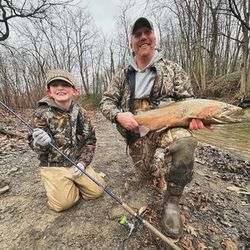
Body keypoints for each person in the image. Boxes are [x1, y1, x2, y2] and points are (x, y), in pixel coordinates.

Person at [100, 17, 209, 238]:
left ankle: (171, 203)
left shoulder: (172, 69)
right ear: (131, 43)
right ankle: (156, 166)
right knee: (146, 174)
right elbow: (106, 102)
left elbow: (189, 102)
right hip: (138, 134)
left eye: (146, 32)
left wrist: (194, 119)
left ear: (154, 38)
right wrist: (118, 115)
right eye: (137, 34)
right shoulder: (123, 75)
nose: (142, 37)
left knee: (185, 143)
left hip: (169, 127)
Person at [29, 69, 105, 212]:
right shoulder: (41, 113)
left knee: (98, 191)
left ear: (74, 91)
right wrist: (38, 142)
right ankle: (63, 186)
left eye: (65, 85)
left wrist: (83, 163)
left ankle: (75, 181)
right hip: (53, 165)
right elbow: (34, 145)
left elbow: (90, 139)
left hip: (76, 162)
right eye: (55, 85)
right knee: (63, 205)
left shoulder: (80, 111)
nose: (60, 88)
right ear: (49, 92)